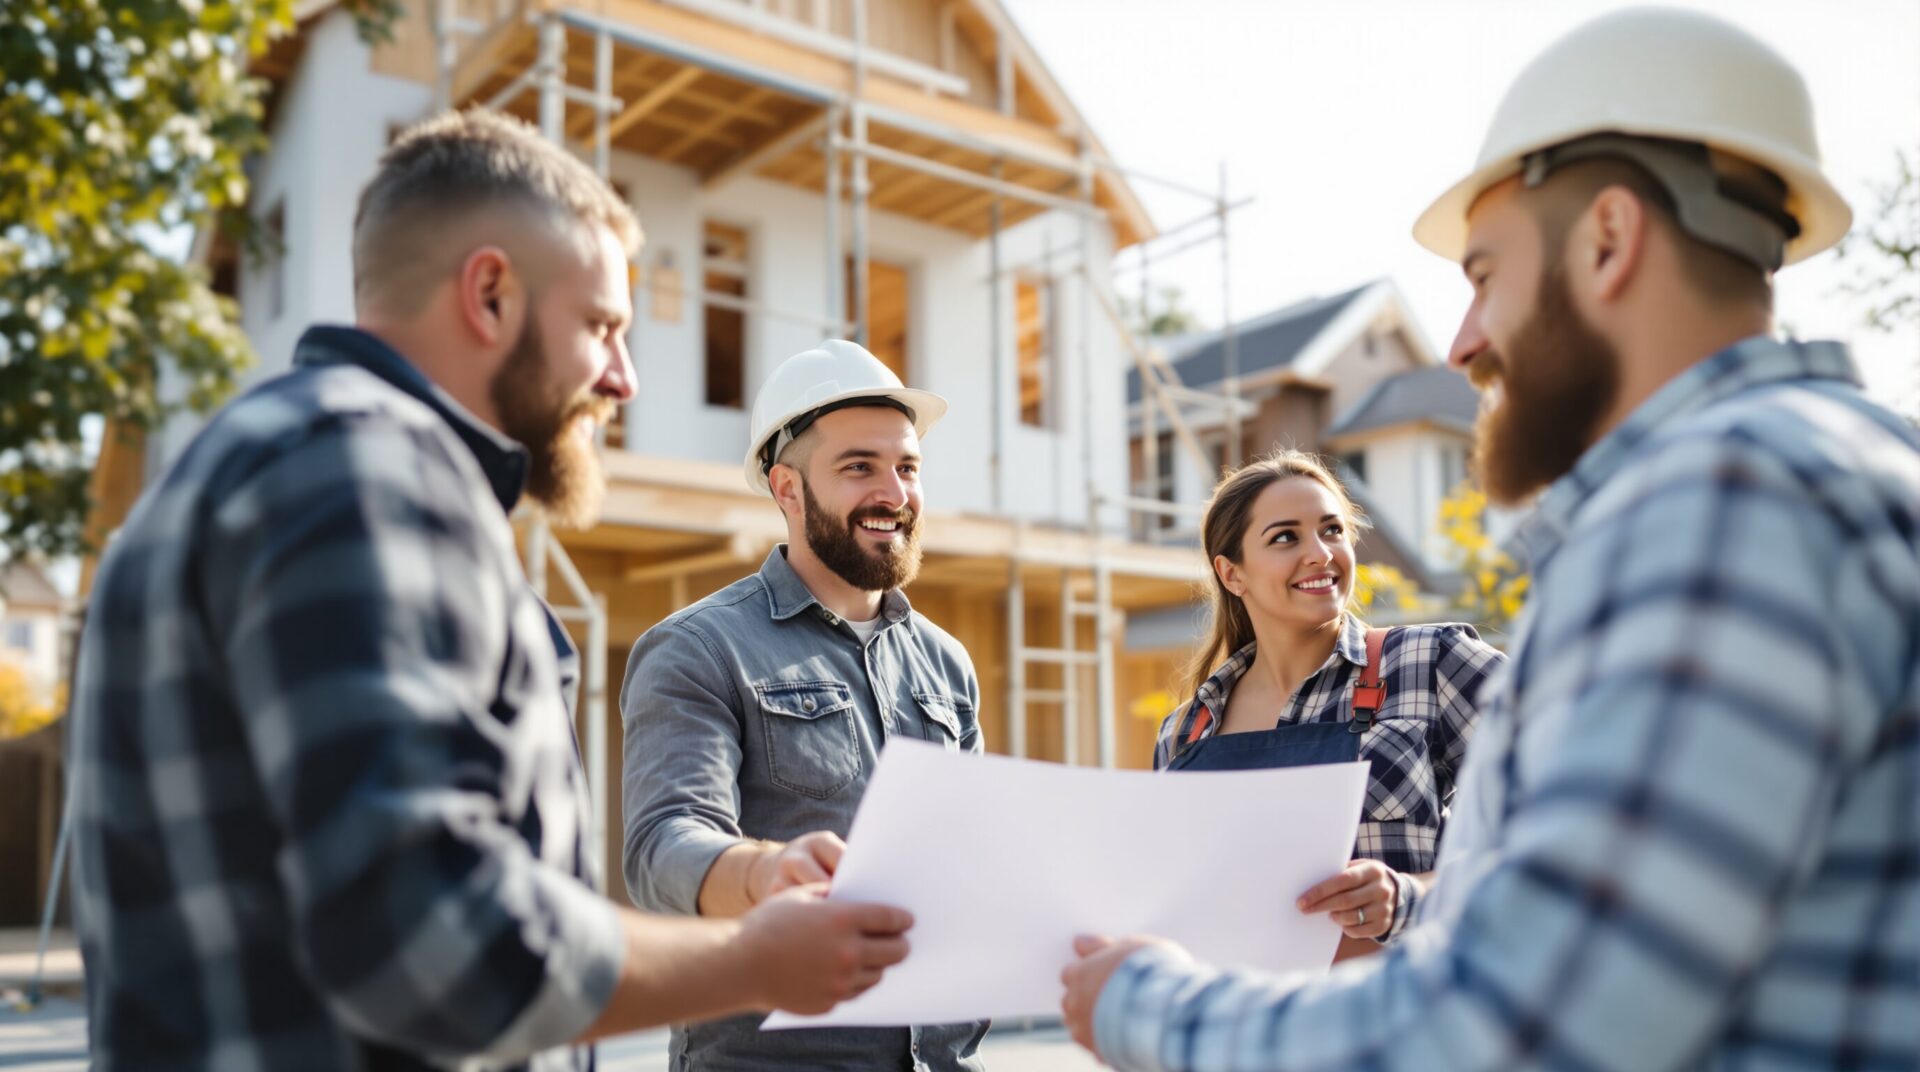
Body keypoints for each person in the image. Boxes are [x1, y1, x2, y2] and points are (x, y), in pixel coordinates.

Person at [1060, 9, 1920, 1070]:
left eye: (1482, 277)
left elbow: (1509, 1027)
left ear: (1608, 240)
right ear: (1229, 574)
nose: (1463, 345)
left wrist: (1143, 1004)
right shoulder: (1845, 468)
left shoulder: (1725, 503)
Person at [67, 110, 913, 1072]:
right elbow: (435, 943)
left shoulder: (265, 464)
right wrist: (754, 963)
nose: (624, 379)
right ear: (491, 294)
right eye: (602, 327)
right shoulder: (367, 471)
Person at [620, 340, 988, 1070]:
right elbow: (663, 845)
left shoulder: (948, 663)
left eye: (907, 467)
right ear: (786, 488)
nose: (895, 493)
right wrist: (763, 872)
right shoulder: (699, 649)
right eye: (859, 467)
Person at [1156, 451, 1503, 960]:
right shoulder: (1183, 735)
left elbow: (1568, 819)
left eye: (1332, 531)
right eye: (1285, 537)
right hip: (1243, 1007)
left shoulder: (1430, 662)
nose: (1320, 553)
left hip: (1405, 1003)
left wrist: (1411, 896)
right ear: (1232, 574)